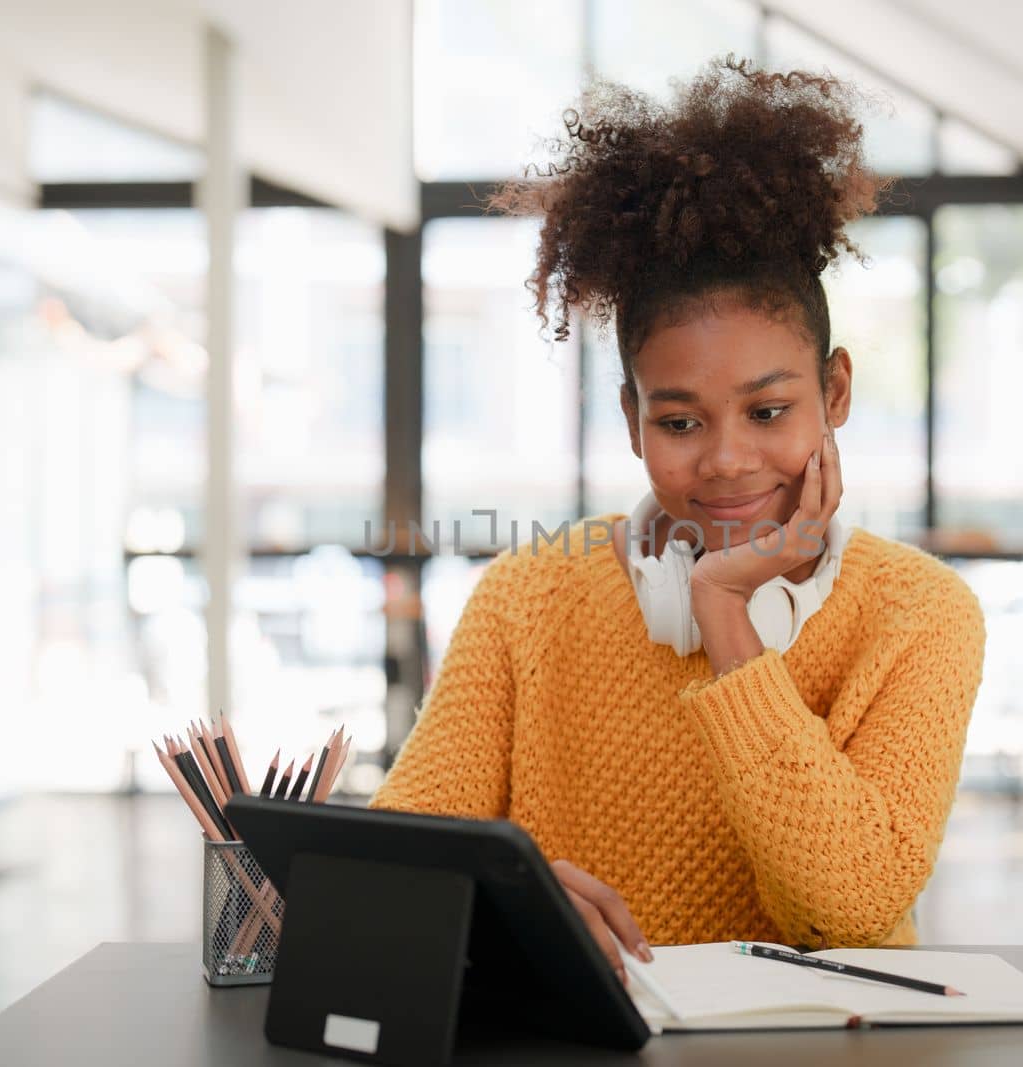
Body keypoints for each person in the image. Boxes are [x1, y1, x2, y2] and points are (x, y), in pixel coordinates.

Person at [370, 57, 986, 982]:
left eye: (769, 411)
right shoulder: (528, 596)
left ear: (836, 391)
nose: (729, 458)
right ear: (631, 421)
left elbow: (847, 908)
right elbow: (393, 863)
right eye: (680, 421)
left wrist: (727, 620)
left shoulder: (921, 615)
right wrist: (506, 903)